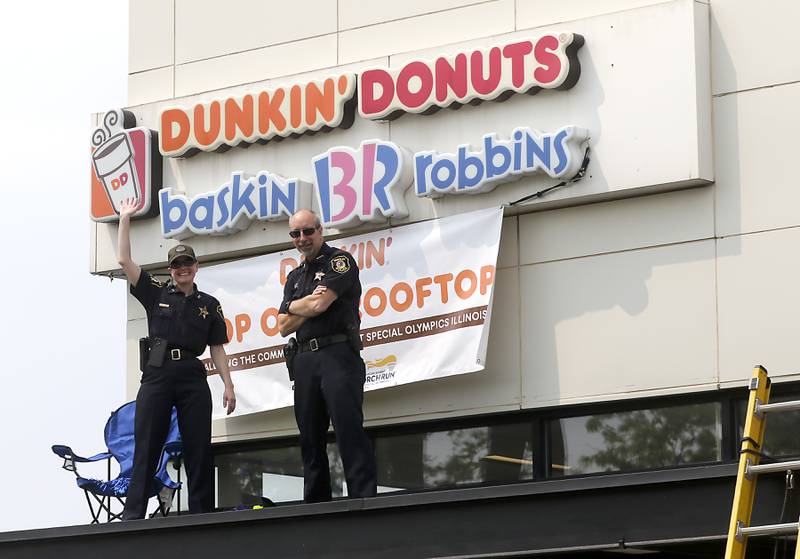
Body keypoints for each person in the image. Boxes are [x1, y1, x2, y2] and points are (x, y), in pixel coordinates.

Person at [117, 197, 236, 519]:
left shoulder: (209, 304)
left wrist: (228, 385)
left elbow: (217, 347)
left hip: (192, 374)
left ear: (196, 267)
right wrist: (125, 219)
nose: (183, 269)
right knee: (147, 445)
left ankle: (201, 516)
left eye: (188, 264)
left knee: (199, 446)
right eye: (177, 265)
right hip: (158, 373)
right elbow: (124, 259)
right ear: (170, 270)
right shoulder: (156, 291)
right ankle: (132, 517)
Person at [278, 209, 377, 502]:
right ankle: (315, 505)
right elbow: (282, 327)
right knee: (310, 436)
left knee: (348, 429)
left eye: (308, 231)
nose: (302, 238)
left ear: (320, 231)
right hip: (305, 360)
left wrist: (294, 306)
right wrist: (304, 304)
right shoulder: (295, 276)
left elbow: (319, 306)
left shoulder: (340, 261)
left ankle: (363, 501)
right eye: (296, 234)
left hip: (337, 353)